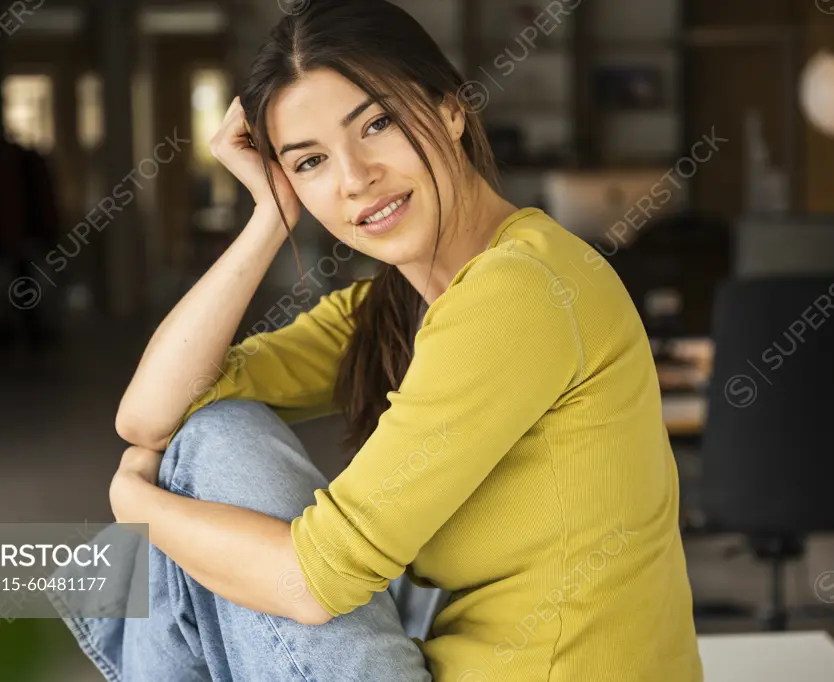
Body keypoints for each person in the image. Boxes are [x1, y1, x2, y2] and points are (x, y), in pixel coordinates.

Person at [62, 1, 703, 680]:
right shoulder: (396, 306)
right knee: (208, 431)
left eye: (378, 123)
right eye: (309, 163)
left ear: (452, 110)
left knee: (206, 463)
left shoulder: (522, 289)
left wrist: (136, 505)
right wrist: (268, 220)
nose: (354, 177)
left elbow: (313, 582)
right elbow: (151, 412)